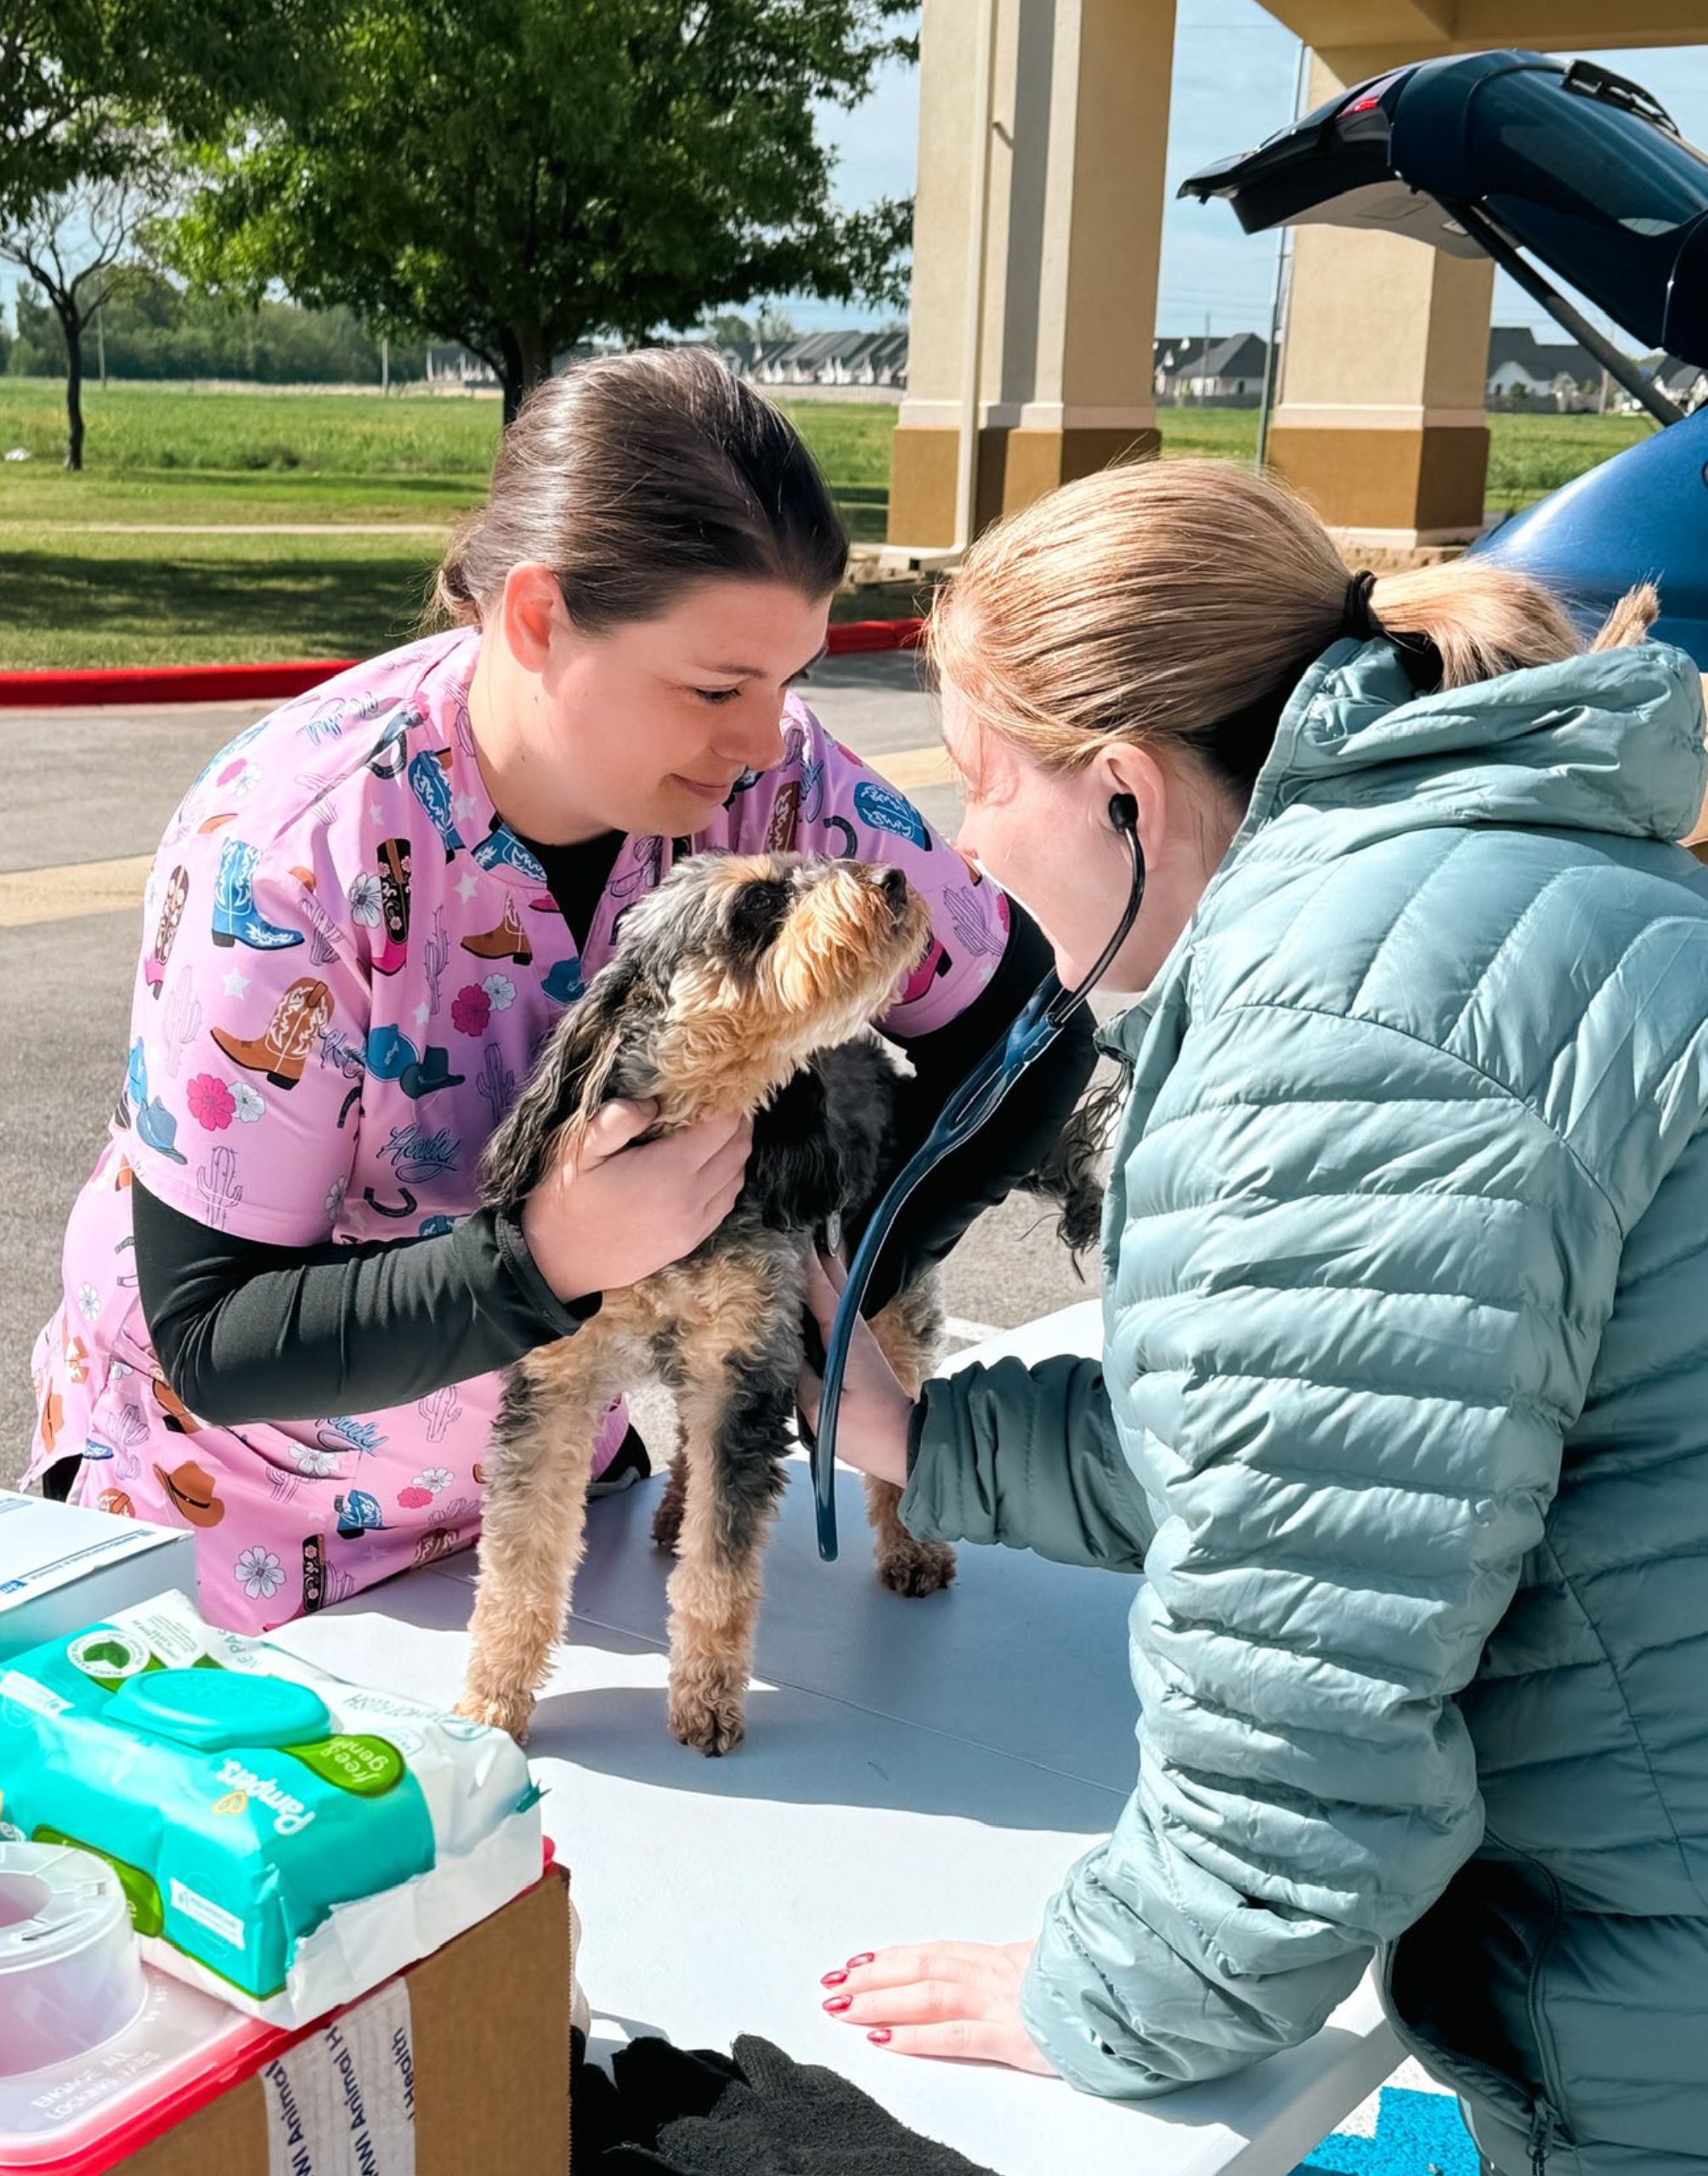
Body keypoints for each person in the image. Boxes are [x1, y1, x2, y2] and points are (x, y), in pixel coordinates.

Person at [800, 457, 1708, 2176]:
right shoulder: (1464, 888)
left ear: (1129, 794)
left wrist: (1112, 1988)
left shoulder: (1335, 1041)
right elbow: (1344, 1453)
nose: (967, 845)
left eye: (986, 784)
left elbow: (1308, 1731)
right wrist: (932, 1440)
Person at [27, 348, 1094, 1633]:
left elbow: (1027, 1039)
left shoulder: (774, 786)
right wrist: (546, 1259)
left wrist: (830, 1275)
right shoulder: (290, 849)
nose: (767, 736)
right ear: (535, 619)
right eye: (714, 686)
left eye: (791, 679)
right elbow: (217, 1332)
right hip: (230, 1533)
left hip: (546, 1498)